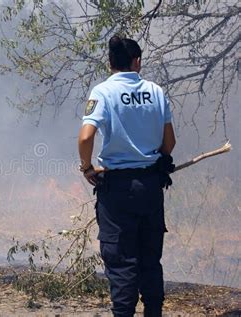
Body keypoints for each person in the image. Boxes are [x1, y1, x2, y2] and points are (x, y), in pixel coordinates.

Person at [78, 35, 176, 317]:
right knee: (150, 260)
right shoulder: (156, 91)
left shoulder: (103, 91)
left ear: (110, 63)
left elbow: (86, 137)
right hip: (149, 188)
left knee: (122, 263)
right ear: (138, 62)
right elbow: (169, 144)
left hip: (117, 190)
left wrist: (87, 168)